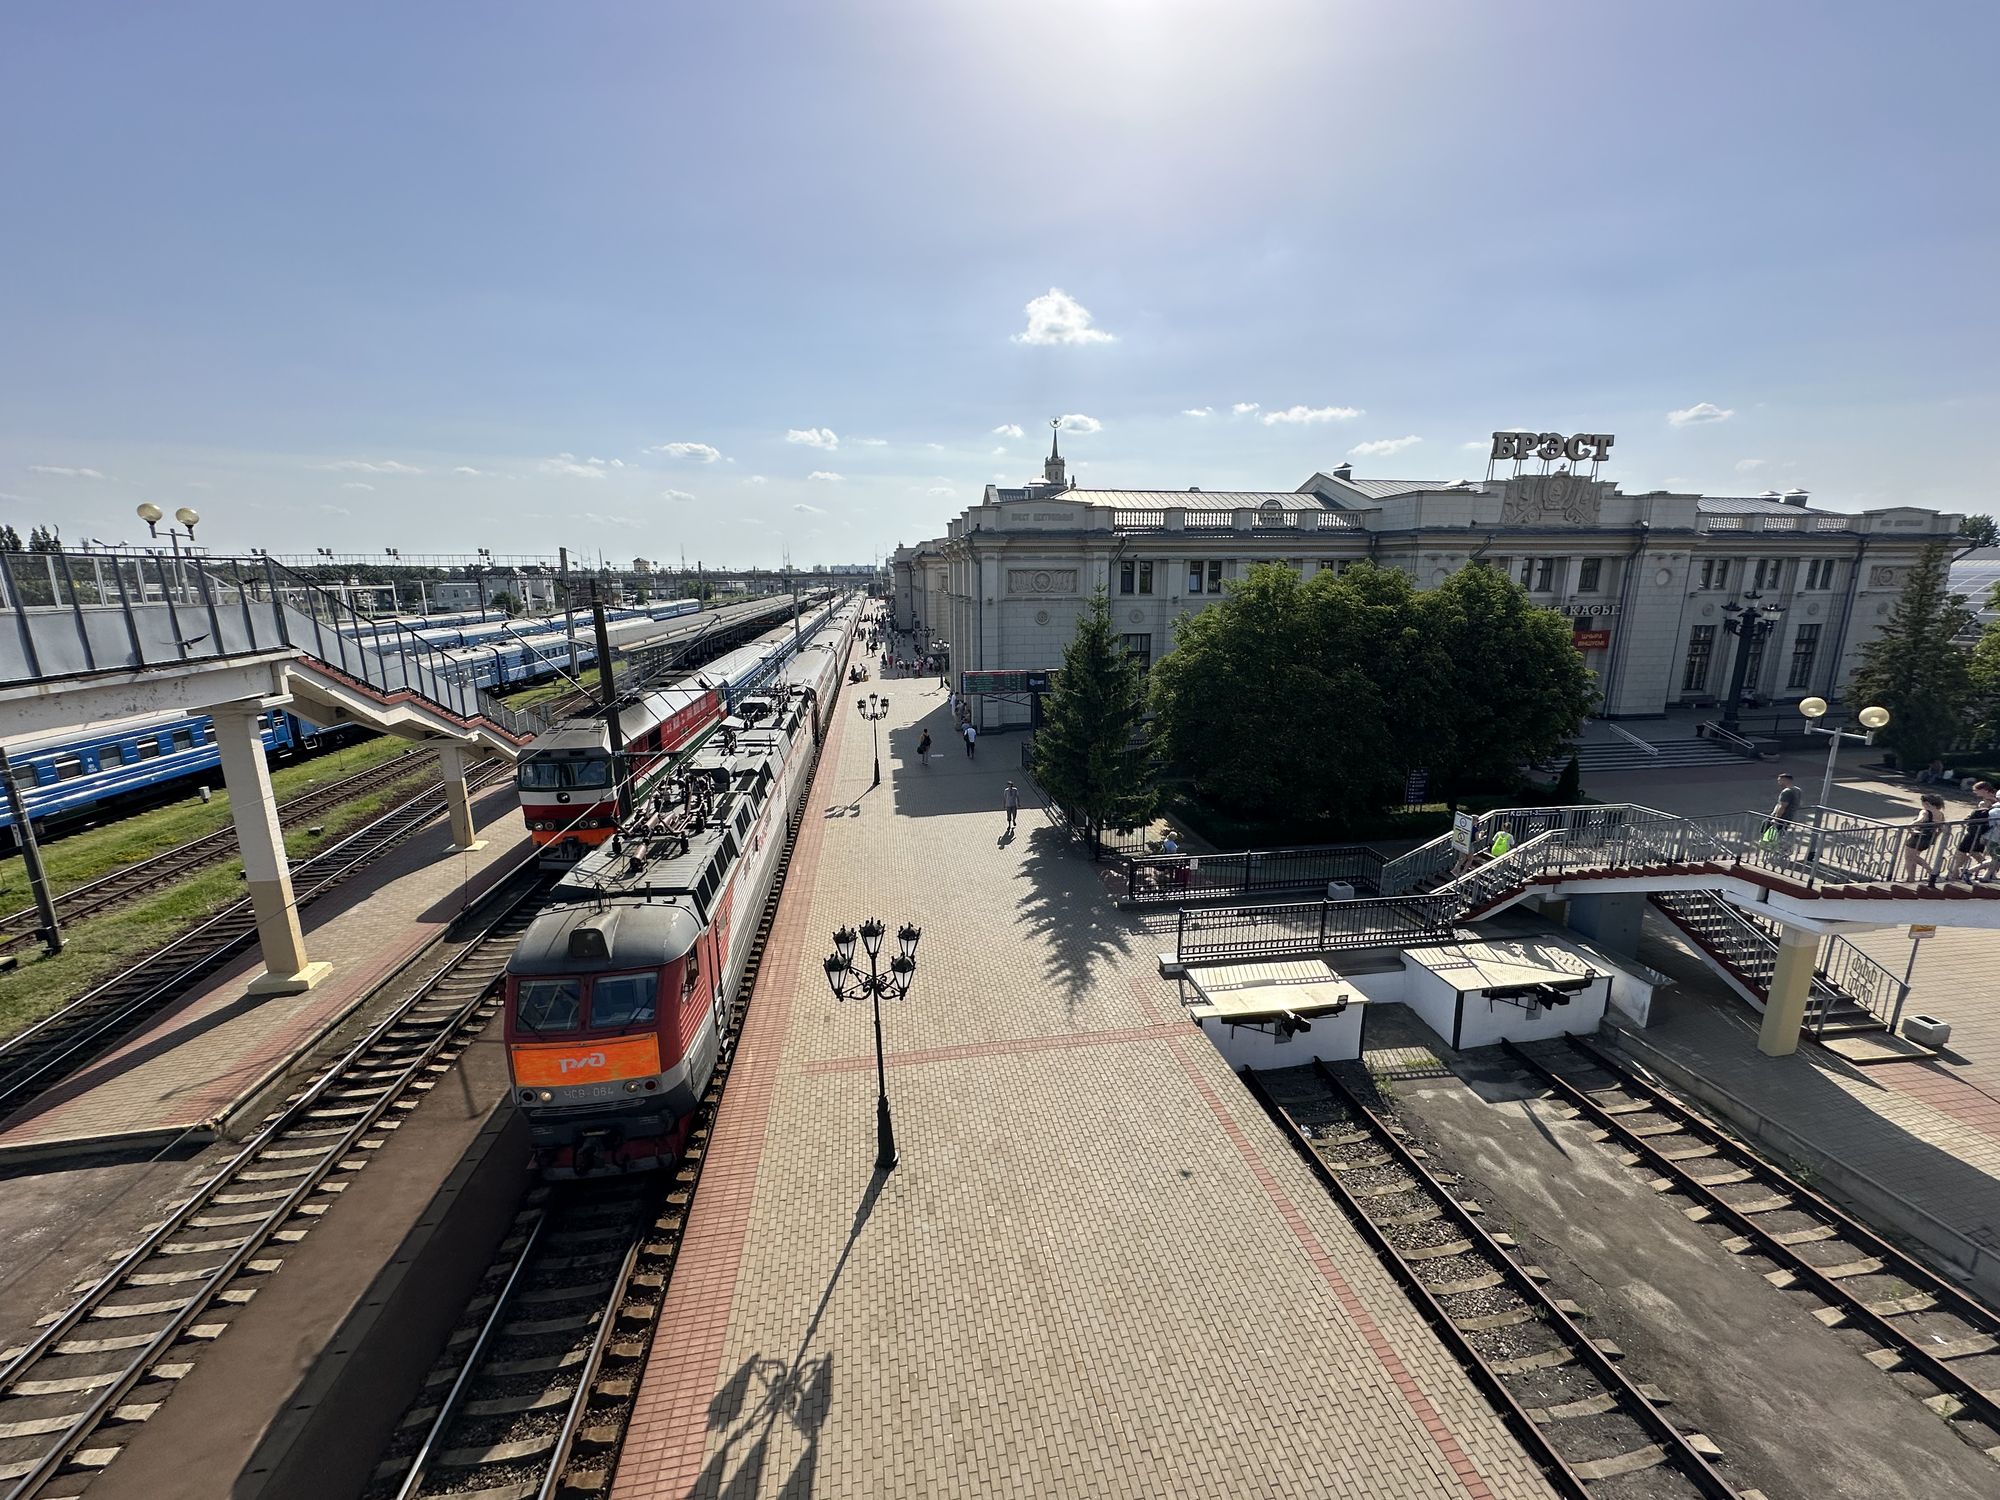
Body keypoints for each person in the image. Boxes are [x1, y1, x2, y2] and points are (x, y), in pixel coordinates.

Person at [1951, 781, 1996, 880]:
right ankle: (1991, 872)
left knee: (1961, 851)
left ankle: (1955, 874)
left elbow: (1983, 814)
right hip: (1982, 831)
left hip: (1977, 831)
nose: (1975, 792)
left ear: (1984, 790)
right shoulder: (1991, 800)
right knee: (1974, 852)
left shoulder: (1989, 801)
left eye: (1976, 790)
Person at [1903, 792, 1946, 881]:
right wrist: (1935, 837)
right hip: (1929, 838)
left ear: (1926, 803)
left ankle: (1931, 873)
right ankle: (1911, 878)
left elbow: (1920, 820)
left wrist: (1909, 827)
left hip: (1918, 836)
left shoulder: (1925, 811)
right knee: (1913, 857)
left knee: (1909, 857)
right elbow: (1941, 828)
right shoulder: (1940, 814)